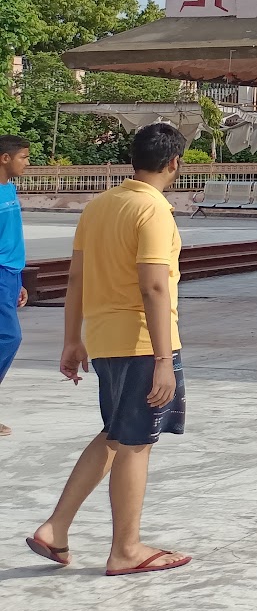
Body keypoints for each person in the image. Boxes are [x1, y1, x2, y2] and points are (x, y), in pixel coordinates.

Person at [27, 122, 192, 576]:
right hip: (143, 342)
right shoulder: (153, 210)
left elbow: (75, 278)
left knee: (116, 435)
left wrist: (72, 338)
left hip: (103, 339)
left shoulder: (99, 206)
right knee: (136, 443)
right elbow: (155, 285)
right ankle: (126, 550)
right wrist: (163, 360)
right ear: (175, 163)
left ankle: (56, 528)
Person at [0, 135, 31, 437]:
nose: (27, 162)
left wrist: (18, 280)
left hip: (10, 276)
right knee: (9, 338)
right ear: (4, 158)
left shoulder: (9, 189)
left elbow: (12, 239)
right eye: (23, 156)